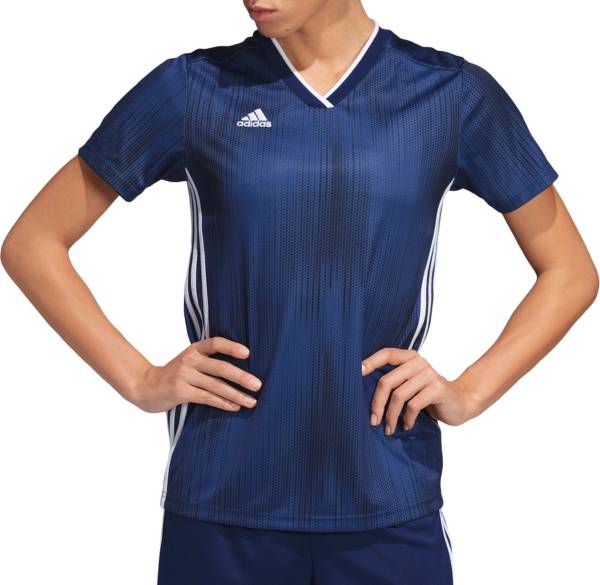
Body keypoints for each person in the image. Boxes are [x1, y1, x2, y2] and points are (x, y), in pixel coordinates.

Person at [2, 1, 597, 584]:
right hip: (223, 500)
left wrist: (468, 393)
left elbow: (569, 271)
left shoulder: (450, 95)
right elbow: (33, 243)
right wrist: (139, 380)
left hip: (389, 496)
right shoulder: (193, 89)